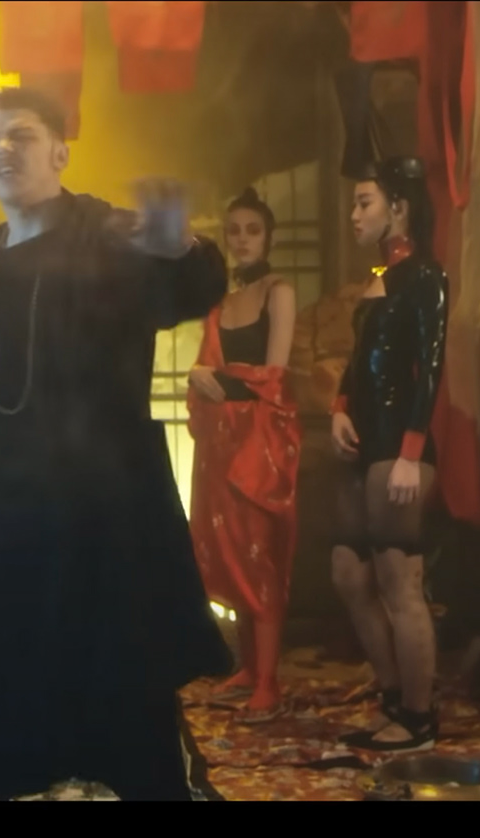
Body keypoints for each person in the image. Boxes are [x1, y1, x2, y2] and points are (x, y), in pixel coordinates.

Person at [0, 87, 233, 800]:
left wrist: (182, 244)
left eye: (22, 136)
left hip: (96, 510)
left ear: (60, 152)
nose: (4, 149)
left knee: (116, 689)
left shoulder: (107, 237)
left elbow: (186, 289)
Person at [327, 156, 447, 753]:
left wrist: (410, 452)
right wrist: (338, 407)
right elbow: (359, 361)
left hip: (401, 442)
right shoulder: (380, 275)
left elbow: (432, 365)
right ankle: (394, 697)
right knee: (349, 574)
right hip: (364, 440)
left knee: (401, 581)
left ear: (398, 207)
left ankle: (420, 719)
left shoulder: (425, 275)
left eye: (365, 202)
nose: (354, 214)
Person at [186, 187, 302, 724]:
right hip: (221, 442)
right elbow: (207, 371)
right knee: (228, 550)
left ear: (268, 237)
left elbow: (273, 378)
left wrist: (216, 379)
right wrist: (200, 376)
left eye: (252, 230)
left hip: (260, 442)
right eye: (234, 231)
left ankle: (270, 681)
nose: (242, 240)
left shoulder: (280, 292)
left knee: (259, 556)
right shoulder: (221, 303)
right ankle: (249, 669)